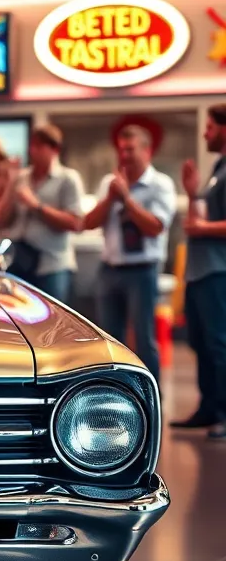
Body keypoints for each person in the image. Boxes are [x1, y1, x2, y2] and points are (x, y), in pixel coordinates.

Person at [81, 125, 175, 384]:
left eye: (130, 150)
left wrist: (127, 199)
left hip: (142, 271)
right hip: (109, 270)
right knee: (109, 340)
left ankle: (151, 397)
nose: (124, 156)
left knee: (144, 339)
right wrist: (111, 198)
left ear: (147, 151)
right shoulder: (108, 184)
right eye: (121, 150)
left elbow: (155, 227)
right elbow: (88, 222)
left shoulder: (160, 184)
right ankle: (115, 393)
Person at [172, 105, 226, 438]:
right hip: (200, 272)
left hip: (218, 271)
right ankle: (209, 408)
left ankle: (223, 414)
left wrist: (204, 228)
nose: (205, 133)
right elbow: (199, 221)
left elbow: (204, 226)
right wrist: (192, 194)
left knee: (219, 344)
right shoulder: (218, 168)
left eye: (210, 127)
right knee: (201, 343)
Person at [0, 122, 83, 303]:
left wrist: (36, 206)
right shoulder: (22, 177)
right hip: (20, 264)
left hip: (52, 266)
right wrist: (10, 183)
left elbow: (75, 223)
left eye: (39, 146)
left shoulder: (67, 179)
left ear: (55, 149)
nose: (33, 151)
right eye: (32, 146)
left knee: (53, 318)